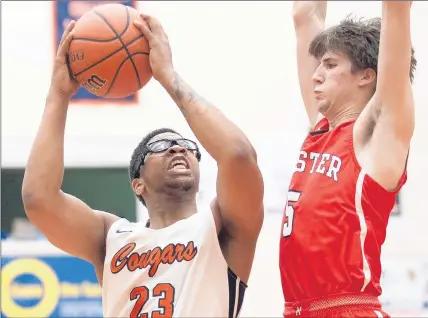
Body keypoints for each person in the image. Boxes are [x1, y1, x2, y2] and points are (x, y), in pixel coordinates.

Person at [22, 13, 264, 318]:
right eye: (161, 146)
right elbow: (38, 199)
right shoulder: (111, 236)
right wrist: (58, 95)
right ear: (138, 183)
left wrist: (167, 75)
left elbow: (238, 155)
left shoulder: (221, 226)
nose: (178, 147)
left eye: (189, 147)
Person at [279, 1, 416, 317]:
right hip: (297, 310)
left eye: (329, 65)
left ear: (367, 76)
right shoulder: (321, 128)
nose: (316, 75)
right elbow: (305, 15)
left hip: (350, 308)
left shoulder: (378, 137)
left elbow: (396, 10)